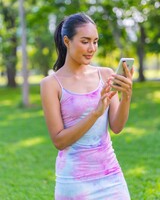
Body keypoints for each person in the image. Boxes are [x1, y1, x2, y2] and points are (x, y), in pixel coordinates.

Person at [40, 12, 134, 200]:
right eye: (85, 41)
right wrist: (95, 113)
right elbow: (59, 141)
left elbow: (116, 127)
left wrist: (127, 96)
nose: (92, 48)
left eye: (95, 41)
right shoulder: (51, 84)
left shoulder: (106, 75)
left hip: (111, 176)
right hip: (74, 182)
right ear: (67, 41)